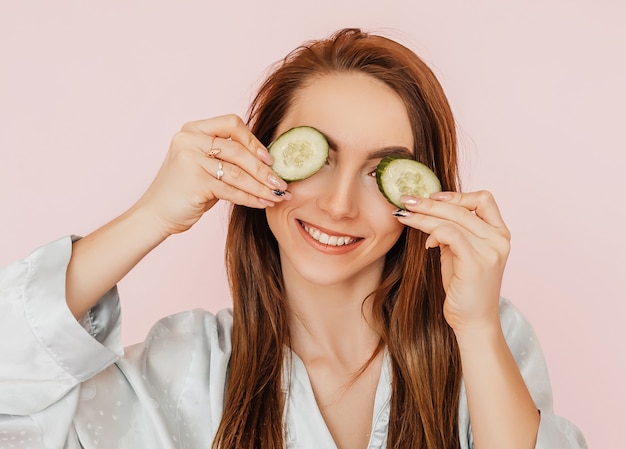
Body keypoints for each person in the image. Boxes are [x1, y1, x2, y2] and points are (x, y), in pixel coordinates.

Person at [0, 28, 586, 449]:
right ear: (261, 160)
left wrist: (479, 327)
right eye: (316, 158)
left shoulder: (485, 338)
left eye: (381, 173)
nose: (338, 205)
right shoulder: (187, 366)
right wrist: (154, 214)